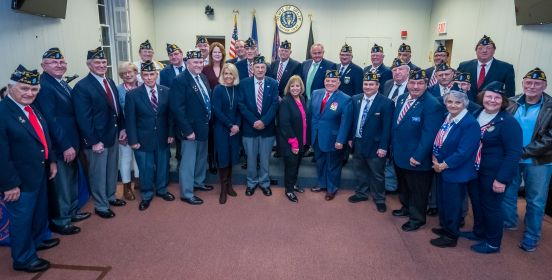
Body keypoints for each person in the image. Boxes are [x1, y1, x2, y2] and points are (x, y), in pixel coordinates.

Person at [0, 65, 59, 273]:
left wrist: (51, 161)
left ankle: (37, 240)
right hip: (19, 180)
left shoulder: (31, 108)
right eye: (24, 88)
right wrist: (9, 185)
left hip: (39, 171)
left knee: (37, 212)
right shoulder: (3, 112)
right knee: (22, 219)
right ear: (10, 87)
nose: (29, 93)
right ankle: (23, 258)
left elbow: (43, 136)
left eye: (34, 90)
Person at [34, 48, 90, 236]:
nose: (59, 65)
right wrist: (65, 145)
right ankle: (60, 220)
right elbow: (51, 120)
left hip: (71, 142)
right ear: (43, 66)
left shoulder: (61, 83)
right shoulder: (44, 86)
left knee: (71, 180)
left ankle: (71, 212)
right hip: (60, 146)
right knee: (61, 185)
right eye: (53, 62)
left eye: (61, 62)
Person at [462, 81, 522, 254]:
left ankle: (493, 243)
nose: (492, 100)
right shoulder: (476, 113)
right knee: (477, 203)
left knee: (491, 207)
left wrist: (502, 179)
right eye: (489, 96)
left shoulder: (508, 122)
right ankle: (479, 232)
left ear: (503, 100)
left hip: (494, 173)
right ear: (483, 97)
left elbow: (513, 153)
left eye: (497, 97)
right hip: (475, 170)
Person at [73, 47, 127, 218]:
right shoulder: (82, 87)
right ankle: (101, 205)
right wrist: (94, 141)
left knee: (112, 170)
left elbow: (117, 108)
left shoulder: (110, 82)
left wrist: (123, 127)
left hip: (113, 134)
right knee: (98, 173)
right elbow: (83, 118)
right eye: (97, 62)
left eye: (104, 62)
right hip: (97, 140)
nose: (101, 65)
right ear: (89, 65)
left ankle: (111, 196)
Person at [503, 67, 552, 252]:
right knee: (507, 194)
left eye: (537, 83)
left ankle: (532, 236)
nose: (532, 86)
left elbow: (550, 139)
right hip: (512, 159)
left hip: (540, 162)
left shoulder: (550, 106)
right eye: (528, 82)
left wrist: (523, 152)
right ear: (523, 83)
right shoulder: (512, 102)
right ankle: (509, 222)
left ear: (544, 85)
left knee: (536, 200)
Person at [391, 69, 444, 232]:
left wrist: (419, 156)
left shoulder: (432, 104)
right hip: (400, 154)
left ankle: (417, 218)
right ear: (407, 83)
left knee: (418, 190)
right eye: (412, 83)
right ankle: (406, 207)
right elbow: (397, 126)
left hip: (417, 158)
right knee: (404, 186)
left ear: (426, 84)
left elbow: (430, 134)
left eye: (420, 83)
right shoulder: (401, 99)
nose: (415, 86)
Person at [429, 90, 480, 248]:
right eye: (450, 101)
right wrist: (435, 159)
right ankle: (446, 227)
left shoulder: (469, 123)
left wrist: (442, 165)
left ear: (465, 104)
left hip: (455, 170)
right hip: (442, 167)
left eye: (457, 102)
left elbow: (464, 152)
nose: (453, 105)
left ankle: (451, 236)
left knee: (453, 203)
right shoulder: (449, 117)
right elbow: (441, 139)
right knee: (443, 201)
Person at [125, 61, 175, 211]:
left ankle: (161, 190)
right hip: (142, 139)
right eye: (145, 75)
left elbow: (170, 116)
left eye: (151, 74)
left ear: (156, 74)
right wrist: (133, 140)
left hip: (162, 136)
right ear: (141, 76)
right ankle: (146, 195)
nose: (149, 78)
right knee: (145, 169)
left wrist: (171, 133)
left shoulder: (166, 91)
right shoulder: (132, 95)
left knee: (162, 165)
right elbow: (130, 120)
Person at [169, 49, 214, 205]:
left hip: (204, 127)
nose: (198, 65)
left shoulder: (202, 77)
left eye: (201, 62)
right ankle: (187, 193)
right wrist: (187, 131)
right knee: (188, 163)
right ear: (187, 63)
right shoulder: (180, 80)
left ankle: (198, 182)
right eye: (195, 62)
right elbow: (177, 108)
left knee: (201, 159)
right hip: (190, 131)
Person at [347, 72, 394, 212]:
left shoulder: (386, 103)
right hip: (358, 143)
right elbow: (352, 121)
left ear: (378, 86)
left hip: (376, 145)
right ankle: (361, 193)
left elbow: (387, 128)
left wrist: (384, 147)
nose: (368, 86)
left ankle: (379, 198)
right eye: (365, 84)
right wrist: (350, 138)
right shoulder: (355, 99)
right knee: (359, 171)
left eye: (371, 84)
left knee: (377, 174)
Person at [238, 55, 279, 196]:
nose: (260, 69)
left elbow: (274, 105)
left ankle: (264, 183)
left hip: (267, 129)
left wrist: (264, 121)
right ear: (252, 68)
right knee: (250, 158)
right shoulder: (244, 83)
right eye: (257, 67)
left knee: (265, 159)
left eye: (263, 67)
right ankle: (251, 183)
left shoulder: (273, 83)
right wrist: (254, 121)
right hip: (250, 128)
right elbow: (241, 105)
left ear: (266, 69)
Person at [309, 70, 352, 200]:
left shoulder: (345, 99)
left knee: (332, 165)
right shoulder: (316, 93)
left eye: (333, 81)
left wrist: (341, 140)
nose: (330, 83)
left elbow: (346, 123)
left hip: (333, 139)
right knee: (320, 162)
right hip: (316, 136)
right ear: (324, 81)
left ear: (339, 83)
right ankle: (322, 184)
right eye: (328, 80)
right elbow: (311, 115)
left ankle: (331, 188)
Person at [212, 63, 241, 204]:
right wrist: (230, 125)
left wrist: (237, 126)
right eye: (226, 73)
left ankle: (229, 185)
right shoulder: (218, 89)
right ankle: (223, 188)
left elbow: (240, 110)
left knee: (231, 157)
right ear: (222, 75)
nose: (228, 76)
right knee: (223, 157)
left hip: (235, 129)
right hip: (222, 129)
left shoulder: (237, 89)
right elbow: (217, 111)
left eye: (231, 73)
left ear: (235, 75)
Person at [278, 75, 308, 203]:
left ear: (301, 87)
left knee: (296, 166)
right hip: (291, 142)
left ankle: (294, 184)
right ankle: (289, 190)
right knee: (290, 167)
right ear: (288, 87)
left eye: (297, 85)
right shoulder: (285, 101)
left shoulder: (302, 98)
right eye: (292, 86)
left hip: (301, 140)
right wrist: (294, 143)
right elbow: (284, 124)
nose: (295, 88)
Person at [457, 35, 515, 99]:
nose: (484, 50)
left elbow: (510, 94)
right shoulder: (464, 66)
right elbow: (456, 87)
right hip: (467, 105)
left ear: (494, 50)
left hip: (492, 105)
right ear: (476, 51)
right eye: (480, 48)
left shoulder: (506, 68)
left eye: (488, 48)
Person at [116, 62, 141, 201]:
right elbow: (117, 111)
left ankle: (138, 181)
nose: (128, 75)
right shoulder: (118, 90)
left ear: (135, 72)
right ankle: (126, 187)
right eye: (124, 73)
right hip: (124, 130)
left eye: (130, 72)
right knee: (126, 158)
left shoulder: (143, 86)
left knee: (139, 157)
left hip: (141, 129)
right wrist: (122, 128)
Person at [203, 42, 226, 174]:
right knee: (211, 135)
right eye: (214, 52)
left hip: (224, 108)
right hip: (209, 108)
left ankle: (221, 159)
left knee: (221, 134)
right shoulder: (205, 69)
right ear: (211, 54)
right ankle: (211, 159)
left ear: (223, 54)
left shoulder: (227, 67)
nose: (217, 54)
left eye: (219, 52)